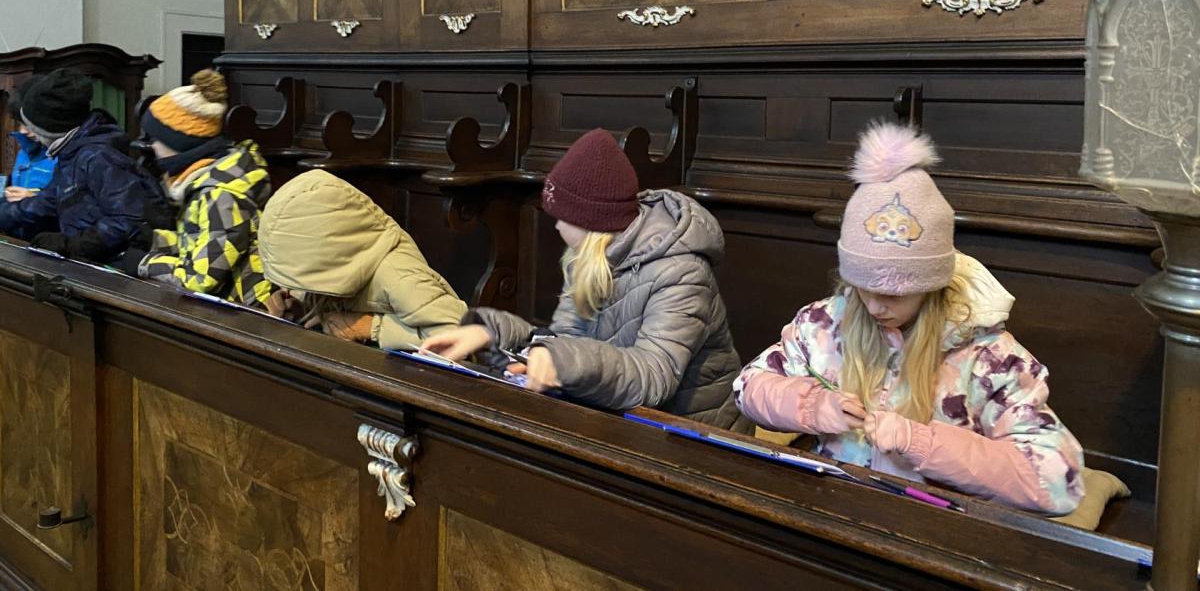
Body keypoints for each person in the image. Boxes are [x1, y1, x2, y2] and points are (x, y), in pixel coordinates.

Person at [733, 122, 1084, 515]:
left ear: (931, 286)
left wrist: (921, 442)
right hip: (832, 510)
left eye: (894, 295)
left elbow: (1059, 482)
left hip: (930, 528)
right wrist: (813, 406)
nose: (874, 307)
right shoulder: (824, 324)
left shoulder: (990, 358)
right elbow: (748, 387)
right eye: (861, 287)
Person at [421, 128, 744, 428]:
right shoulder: (588, 257)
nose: (557, 225)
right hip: (620, 420)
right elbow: (567, 343)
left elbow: (653, 376)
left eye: (563, 217)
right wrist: (491, 334)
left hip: (693, 433)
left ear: (592, 220)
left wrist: (562, 359)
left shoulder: (681, 271)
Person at [256, 170, 467, 345]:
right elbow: (333, 292)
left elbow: (461, 336)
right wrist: (302, 307)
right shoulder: (343, 259)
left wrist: (369, 327)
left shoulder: (399, 276)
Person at [134, 70, 273, 307]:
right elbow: (200, 243)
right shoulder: (207, 177)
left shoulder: (221, 194)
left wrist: (144, 263)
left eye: (156, 139)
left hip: (244, 310)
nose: (152, 146)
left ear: (179, 143)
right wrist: (153, 240)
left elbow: (201, 279)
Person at [0, 68, 164, 263]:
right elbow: (47, 202)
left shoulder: (98, 156)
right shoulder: (72, 152)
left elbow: (128, 221)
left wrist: (72, 245)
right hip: (87, 262)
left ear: (48, 127)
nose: (28, 133)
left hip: (111, 268)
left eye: (31, 127)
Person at [5, 84, 57, 200]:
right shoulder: (23, 152)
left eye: (29, 124)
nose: (23, 131)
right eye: (20, 124)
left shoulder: (67, 155)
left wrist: (34, 197)